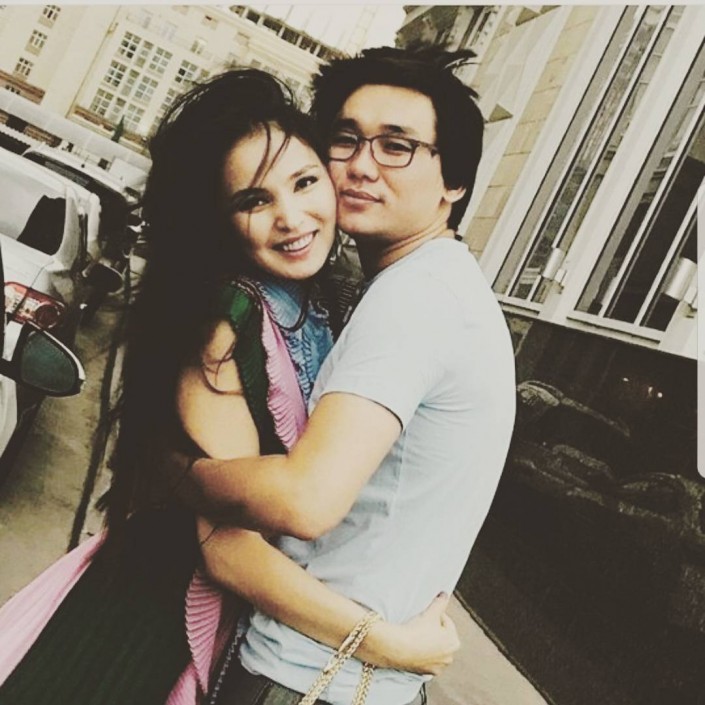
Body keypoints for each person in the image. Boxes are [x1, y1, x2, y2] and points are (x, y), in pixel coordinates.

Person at [0, 69, 458, 705]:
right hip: (150, 630)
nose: (291, 218)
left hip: (245, 627)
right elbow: (227, 551)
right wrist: (390, 646)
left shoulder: (331, 300)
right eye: (254, 201)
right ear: (220, 221)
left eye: (304, 182)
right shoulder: (227, 324)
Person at [171, 47, 517, 705]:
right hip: (353, 676)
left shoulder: (417, 299)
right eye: (346, 139)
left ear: (453, 182)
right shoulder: (429, 288)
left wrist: (178, 473)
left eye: (397, 146)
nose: (360, 164)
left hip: (307, 678)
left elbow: (306, 499)